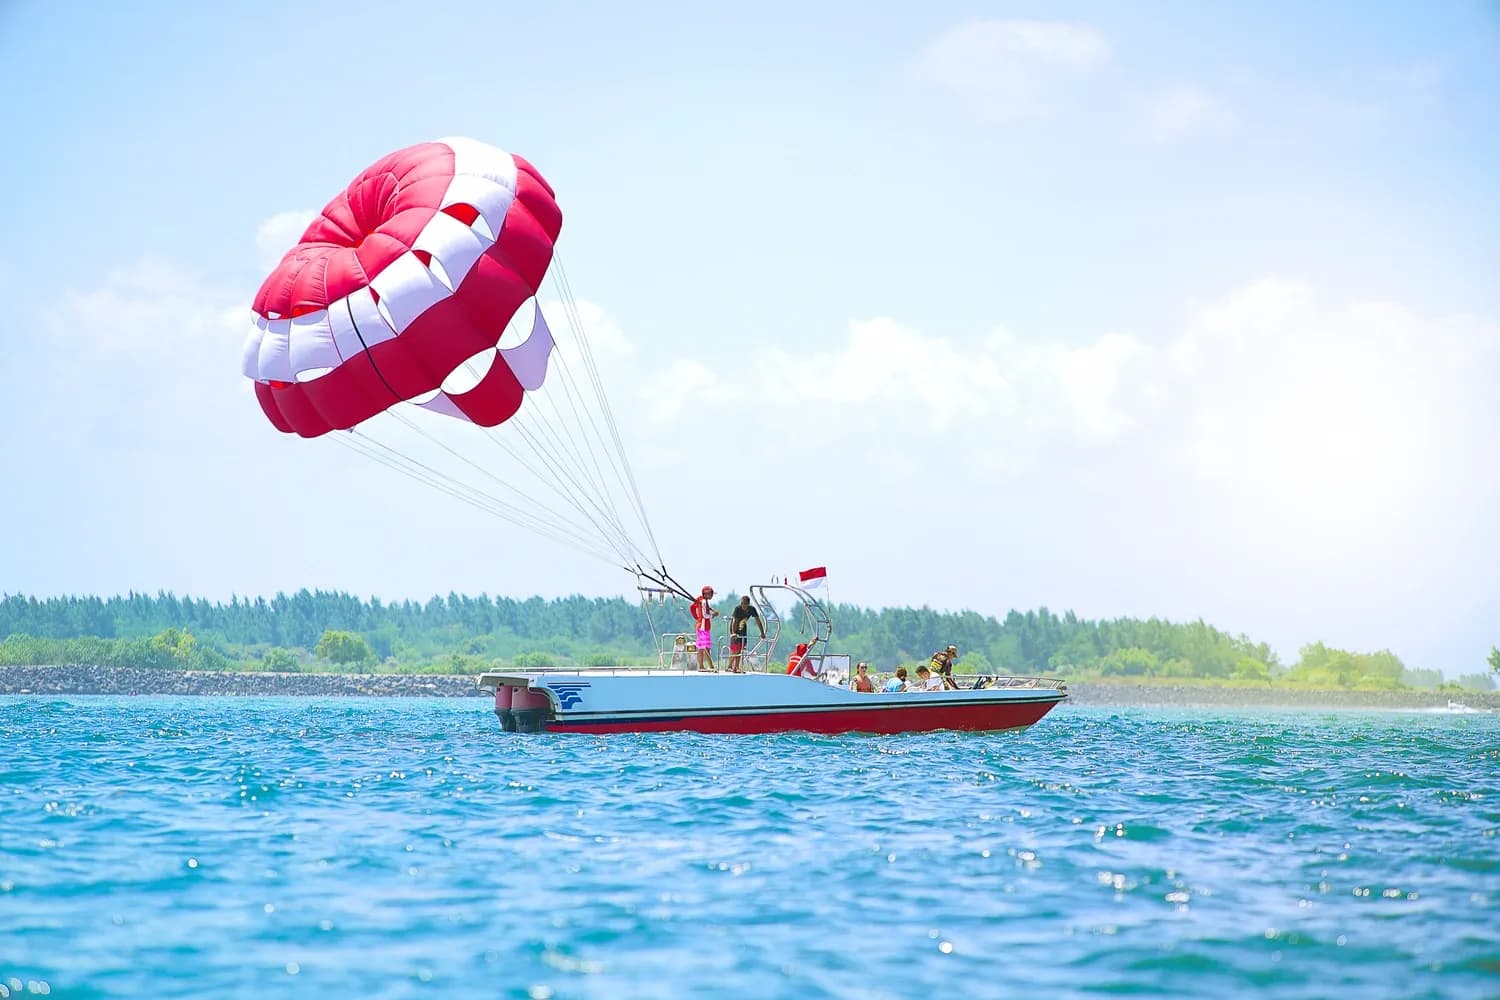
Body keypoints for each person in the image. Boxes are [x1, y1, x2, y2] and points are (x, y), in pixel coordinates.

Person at [727, 596, 765, 673]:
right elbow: (734, 621)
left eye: (745, 604)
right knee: (735, 650)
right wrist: (733, 633)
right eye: (742, 604)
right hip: (734, 629)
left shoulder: (752, 609)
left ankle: (736, 667)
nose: (743, 606)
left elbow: (758, 620)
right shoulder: (738, 609)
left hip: (743, 629)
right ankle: (730, 666)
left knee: (740, 650)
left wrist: (762, 633)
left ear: (748, 604)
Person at [688, 586, 719, 671]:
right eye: (711, 594)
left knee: (704, 647)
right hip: (703, 627)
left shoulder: (701, 600)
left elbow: (693, 607)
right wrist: (713, 615)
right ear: (706, 594)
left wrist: (697, 617)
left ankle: (704, 666)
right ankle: (706, 666)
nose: (712, 595)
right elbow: (705, 615)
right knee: (704, 647)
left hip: (702, 625)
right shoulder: (703, 601)